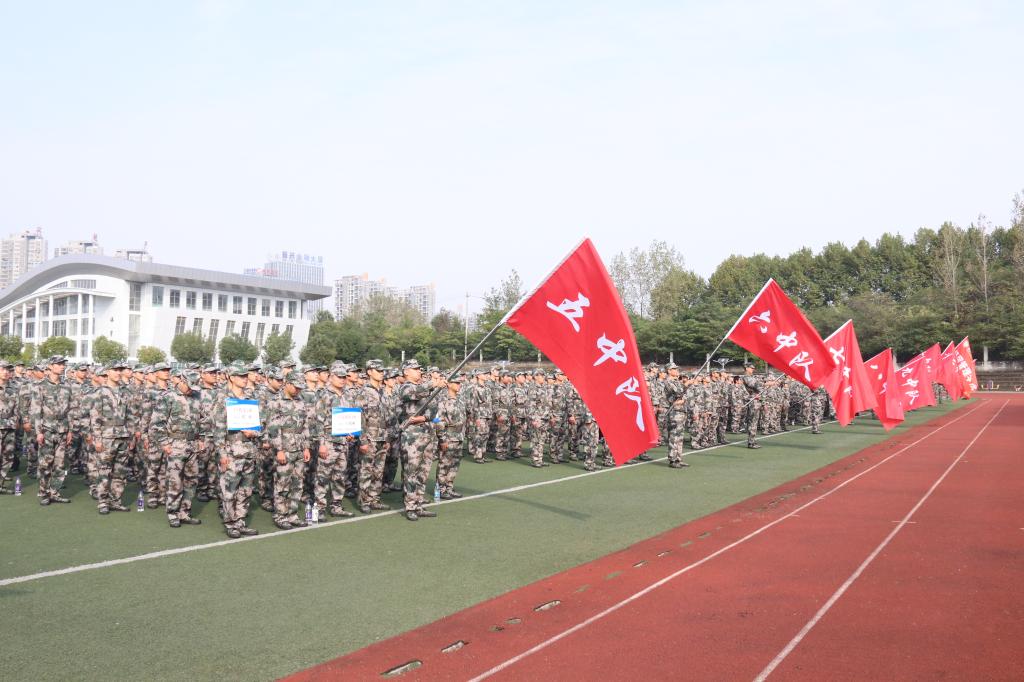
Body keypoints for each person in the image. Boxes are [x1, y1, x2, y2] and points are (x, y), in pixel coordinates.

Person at [212, 363, 264, 538]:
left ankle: (240, 521)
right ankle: (230, 523)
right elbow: (218, 429)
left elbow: (261, 424)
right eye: (240, 376)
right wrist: (222, 454)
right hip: (231, 451)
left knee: (246, 489)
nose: (244, 379)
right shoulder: (223, 398)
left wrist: (255, 432)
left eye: (245, 376)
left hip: (249, 449)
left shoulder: (250, 398)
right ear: (231, 378)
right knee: (229, 489)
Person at [151, 370, 203, 528]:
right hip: (175, 444)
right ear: (181, 380)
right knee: (175, 481)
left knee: (192, 480)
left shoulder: (197, 397)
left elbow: (203, 419)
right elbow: (157, 423)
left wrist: (201, 438)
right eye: (189, 386)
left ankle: (184, 512)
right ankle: (173, 512)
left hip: (192, 444)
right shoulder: (168, 397)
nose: (191, 389)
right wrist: (164, 443)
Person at [397, 359, 445, 521]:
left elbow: (433, 410)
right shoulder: (406, 387)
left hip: (427, 434)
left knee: (423, 473)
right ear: (406, 372)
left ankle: (418, 503)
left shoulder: (424, 388)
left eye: (419, 369)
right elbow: (412, 394)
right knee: (411, 472)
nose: (419, 371)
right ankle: (410, 506)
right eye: (415, 369)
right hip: (412, 437)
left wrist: (424, 418)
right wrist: (433, 383)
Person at [266, 371, 314, 530]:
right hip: (285, 449)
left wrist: (306, 447)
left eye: (300, 388)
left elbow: (305, 426)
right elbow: (273, 428)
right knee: (282, 484)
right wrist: (279, 450)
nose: (298, 390)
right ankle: (280, 515)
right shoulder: (276, 402)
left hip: (299, 448)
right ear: (287, 383)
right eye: (296, 387)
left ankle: (292, 514)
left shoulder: (301, 401)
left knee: (297, 484)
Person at [91, 363, 134, 514]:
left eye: (120, 370)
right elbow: (95, 417)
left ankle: (116, 500)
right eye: (115, 370)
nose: (118, 373)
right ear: (107, 372)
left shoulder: (125, 392)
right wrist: (97, 439)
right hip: (106, 436)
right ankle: (103, 502)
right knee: (104, 470)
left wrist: (131, 436)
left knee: (120, 472)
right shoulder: (100, 392)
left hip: (123, 435)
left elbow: (130, 416)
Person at [31, 356, 74, 505]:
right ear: (50, 366)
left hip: (62, 430)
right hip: (47, 430)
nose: (62, 366)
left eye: (63, 364)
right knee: (45, 464)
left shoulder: (66, 385)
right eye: (59, 364)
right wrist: (39, 432)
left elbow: (70, 409)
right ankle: (44, 493)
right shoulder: (39, 385)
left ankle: (55, 492)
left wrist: (70, 430)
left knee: (60, 464)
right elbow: (36, 410)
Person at [353, 359, 391, 514]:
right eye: (378, 370)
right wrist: (362, 440)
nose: (381, 373)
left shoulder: (383, 392)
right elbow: (359, 418)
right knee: (366, 470)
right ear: (369, 372)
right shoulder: (363, 392)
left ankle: (374, 498)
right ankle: (364, 500)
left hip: (381, 438)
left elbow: (386, 418)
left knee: (378, 471)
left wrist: (387, 438)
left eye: (382, 371)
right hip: (369, 438)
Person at [435, 374, 467, 498]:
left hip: (459, 436)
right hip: (448, 436)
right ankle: (440, 489)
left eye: (460, 383)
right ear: (448, 384)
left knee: (454, 465)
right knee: (444, 464)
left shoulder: (460, 399)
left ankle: (449, 487)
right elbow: (438, 420)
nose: (459, 385)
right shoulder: (442, 400)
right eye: (456, 383)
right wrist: (442, 439)